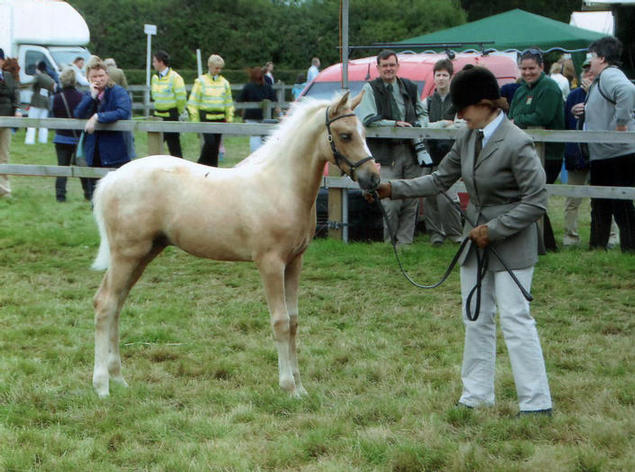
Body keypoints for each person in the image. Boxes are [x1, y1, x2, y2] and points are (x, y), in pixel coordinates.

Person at [369, 66, 552, 415]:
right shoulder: (468, 136)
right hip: (475, 242)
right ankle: (476, 395)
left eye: (463, 108)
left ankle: (536, 402)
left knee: (515, 318)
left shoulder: (517, 142)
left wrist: (494, 230)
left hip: (511, 243)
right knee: (475, 318)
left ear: (485, 104)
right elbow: (439, 180)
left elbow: (536, 201)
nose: (459, 115)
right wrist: (391, 188)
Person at [356, 49, 426, 246]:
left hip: (411, 150)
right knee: (390, 199)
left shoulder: (410, 87)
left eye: (392, 65)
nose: (389, 69)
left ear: (398, 66)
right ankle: (389, 244)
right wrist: (394, 124)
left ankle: (405, 244)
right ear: (378, 68)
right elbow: (368, 119)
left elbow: (423, 113)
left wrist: (419, 126)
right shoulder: (370, 88)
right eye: (385, 65)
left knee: (411, 198)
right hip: (386, 152)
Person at [509, 48, 565, 252]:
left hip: (548, 153)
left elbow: (543, 117)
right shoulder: (521, 90)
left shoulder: (549, 88)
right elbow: (512, 114)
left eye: (532, 68)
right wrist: (516, 120)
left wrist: (518, 121)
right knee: (525, 196)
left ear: (542, 67)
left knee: (533, 196)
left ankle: (546, 244)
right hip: (525, 151)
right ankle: (540, 243)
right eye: (523, 68)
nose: (527, 72)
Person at [582, 36, 635, 252]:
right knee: (602, 203)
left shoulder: (610, 75)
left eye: (593, 57)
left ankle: (629, 247)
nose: (590, 61)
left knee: (619, 203)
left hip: (616, 153)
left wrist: (621, 124)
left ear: (602, 58)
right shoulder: (602, 78)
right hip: (606, 153)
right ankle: (598, 246)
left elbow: (628, 91)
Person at [74, 56, 132, 199]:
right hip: (93, 152)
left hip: (115, 151)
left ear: (107, 75)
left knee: (117, 195)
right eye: (94, 76)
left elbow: (123, 111)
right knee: (95, 195)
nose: (98, 79)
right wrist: (92, 97)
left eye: (101, 75)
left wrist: (98, 117)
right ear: (88, 77)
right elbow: (78, 113)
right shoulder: (89, 94)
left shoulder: (118, 92)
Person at [421, 58, 462, 246]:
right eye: (438, 75)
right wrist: (443, 124)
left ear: (450, 77)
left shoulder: (459, 101)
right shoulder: (426, 102)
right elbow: (421, 125)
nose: (441, 79)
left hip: (451, 154)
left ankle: (455, 234)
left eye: (445, 75)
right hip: (430, 154)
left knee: (448, 197)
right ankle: (435, 234)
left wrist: (451, 125)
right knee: (429, 197)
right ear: (434, 77)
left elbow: (461, 124)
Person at [187, 54, 234, 167]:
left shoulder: (224, 83)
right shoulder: (200, 81)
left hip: (220, 118)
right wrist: (195, 120)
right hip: (206, 117)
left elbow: (228, 102)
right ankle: (199, 166)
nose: (218, 70)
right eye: (216, 68)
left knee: (215, 146)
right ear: (210, 66)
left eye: (220, 68)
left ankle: (213, 168)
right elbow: (193, 102)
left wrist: (230, 117)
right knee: (210, 143)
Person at [52, 67, 91, 202]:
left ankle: (60, 195)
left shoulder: (57, 98)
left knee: (62, 168)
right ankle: (87, 193)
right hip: (78, 139)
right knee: (82, 167)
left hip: (61, 138)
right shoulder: (82, 97)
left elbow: (53, 115)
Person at [151, 50, 186, 157]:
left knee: (174, 145)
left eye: (154, 61)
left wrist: (180, 112)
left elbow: (181, 97)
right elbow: (154, 96)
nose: (153, 64)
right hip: (158, 116)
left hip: (171, 115)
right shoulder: (155, 78)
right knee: (155, 146)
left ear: (161, 62)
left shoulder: (175, 77)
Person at [236, 66, 278, 153]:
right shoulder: (268, 87)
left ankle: (255, 155)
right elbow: (275, 101)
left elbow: (239, 100)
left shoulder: (248, 87)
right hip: (266, 117)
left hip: (251, 116)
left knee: (255, 136)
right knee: (265, 138)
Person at [0, 48, 22, 199]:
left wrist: (17, 110)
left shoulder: (9, 77)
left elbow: (16, 95)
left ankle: (4, 190)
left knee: (4, 156)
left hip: (5, 121)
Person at [24, 61, 55, 145]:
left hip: (36, 102)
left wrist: (21, 85)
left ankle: (29, 141)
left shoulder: (38, 76)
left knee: (32, 122)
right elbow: (53, 89)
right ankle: (43, 140)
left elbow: (31, 83)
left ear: (38, 68)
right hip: (46, 102)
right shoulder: (49, 78)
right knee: (43, 123)